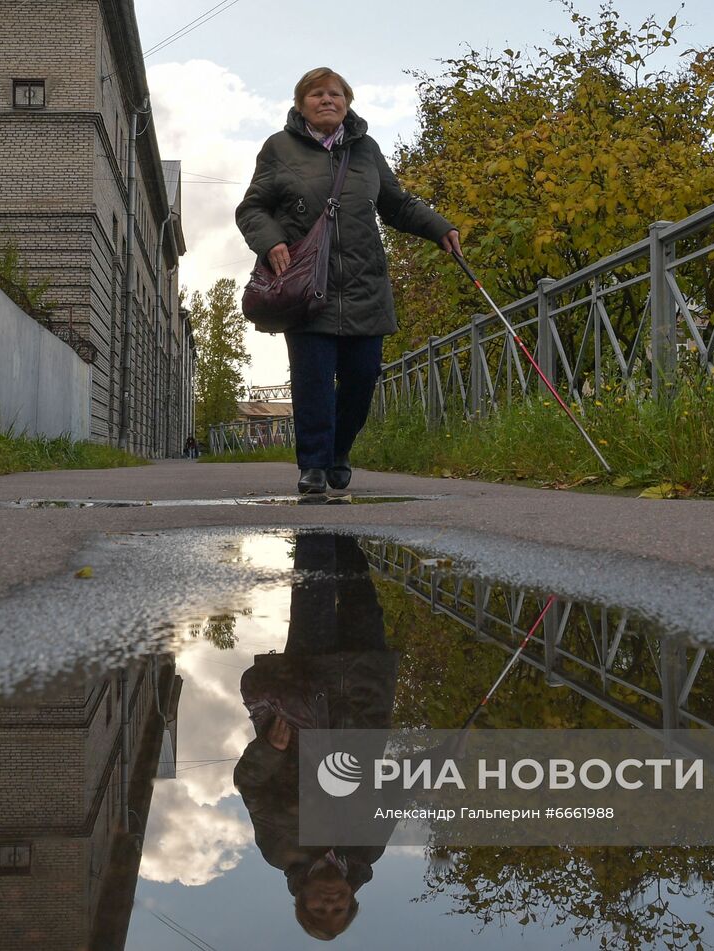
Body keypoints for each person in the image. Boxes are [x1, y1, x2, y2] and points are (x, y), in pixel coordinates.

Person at [236, 68, 462, 495]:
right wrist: (271, 243)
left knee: (362, 377)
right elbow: (252, 209)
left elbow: (396, 204)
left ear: (347, 102)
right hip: (307, 284)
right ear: (301, 103)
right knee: (313, 380)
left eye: (336, 94)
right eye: (317, 94)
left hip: (364, 285)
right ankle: (315, 466)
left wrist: (439, 228)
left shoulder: (366, 149)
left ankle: (340, 450)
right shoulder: (279, 148)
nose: (328, 100)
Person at [233, 534, 398, 940]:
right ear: (350, 899)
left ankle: (314, 518)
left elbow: (250, 786)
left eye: (321, 907)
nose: (330, 901)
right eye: (339, 907)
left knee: (314, 598)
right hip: (364, 697)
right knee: (364, 603)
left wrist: (269, 749)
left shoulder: (280, 849)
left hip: (310, 698)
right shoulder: (368, 850)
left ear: (302, 900)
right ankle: (342, 528)